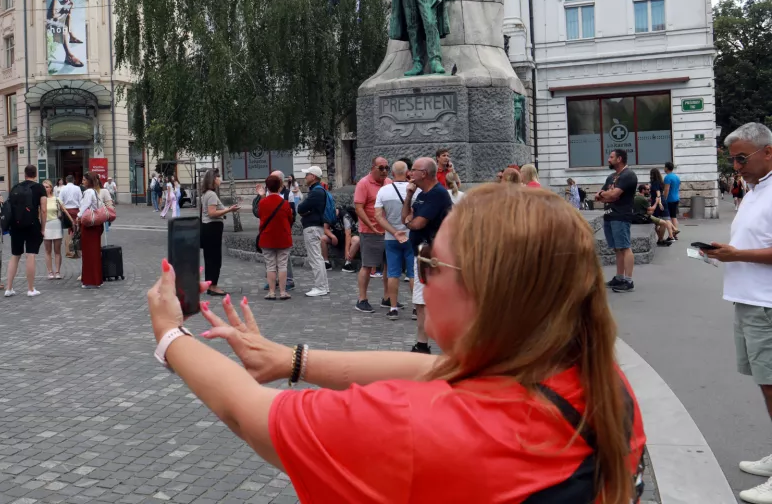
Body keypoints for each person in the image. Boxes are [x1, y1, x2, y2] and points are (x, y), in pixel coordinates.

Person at [146, 182, 646, 504]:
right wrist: (290, 360)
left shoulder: (415, 428)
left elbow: (248, 412)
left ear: (485, 293)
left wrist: (171, 333)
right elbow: (436, 374)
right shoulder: (600, 383)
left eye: (431, 265)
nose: (420, 279)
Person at [706, 123, 772, 504]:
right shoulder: (755, 189)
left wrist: (737, 255)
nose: (737, 165)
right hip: (750, 299)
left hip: (766, 303)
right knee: (766, 384)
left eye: (742, 157)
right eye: (733, 158)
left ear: (768, 152)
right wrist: (725, 250)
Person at [402, 157, 453, 353]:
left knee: (432, 301)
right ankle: (422, 344)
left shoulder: (437, 194)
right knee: (421, 302)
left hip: (433, 255)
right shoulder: (421, 194)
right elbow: (405, 216)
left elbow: (417, 223)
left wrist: (409, 222)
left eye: (413, 170)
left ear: (424, 173)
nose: (410, 173)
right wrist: (408, 196)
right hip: (422, 254)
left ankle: (446, 344)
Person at [373, 160, 414, 320]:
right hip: (411, 236)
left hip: (391, 238)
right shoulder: (415, 191)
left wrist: (394, 232)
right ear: (408, 172)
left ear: (392, 173)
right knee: (413, 274)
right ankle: (416, 309)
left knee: (392, 274)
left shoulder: (384, 191)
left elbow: (377, 216)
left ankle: (393, 307)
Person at [353, 157, 393, 314]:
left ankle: (388, 297)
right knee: (368, 265)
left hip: (387, 231)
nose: (384, 171)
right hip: (370, 232)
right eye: (381, 168)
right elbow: (359, 208)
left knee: (389, 265)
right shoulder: (363, 183)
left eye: (386, 168)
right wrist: (370, 225)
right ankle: (362, 299)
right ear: (373, 168)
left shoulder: (389, 182)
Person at [594, 149, 638, 293]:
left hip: (621, 215)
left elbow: (614, 194)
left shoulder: (628, 175)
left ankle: (629, 281)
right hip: (609, 215)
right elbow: (599, 196)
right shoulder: (611, 177)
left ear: (619, 159)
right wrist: (606, 195)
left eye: (611, 157)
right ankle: (619, 278)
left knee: (625, 247)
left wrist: (608, 195)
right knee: (617, 249)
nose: (608, 159)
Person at [4, 165, 47, 298]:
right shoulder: (40, 188)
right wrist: (43, 228)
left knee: (15, 255)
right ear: (35, 175)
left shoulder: (15, 187)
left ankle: (9, 288)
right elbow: (44, 209)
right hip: (32, 224)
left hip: (16, 225)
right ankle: (30, 288)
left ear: (25, 174)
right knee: (30, 255)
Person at [252, 171, 296, 291]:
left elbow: (293, 215)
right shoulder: (265, 195)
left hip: (282, 231)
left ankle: (288, 281)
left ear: (280, 181)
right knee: (271, 262)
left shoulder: (288, 194)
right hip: (269, 231)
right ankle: (273, 282)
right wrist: (261, 197)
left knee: (283, 261)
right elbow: (257, 212)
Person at [200, 169, 240, 298]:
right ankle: (213, 286)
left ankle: (211, 285)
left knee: (210, 258)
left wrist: (227, 210)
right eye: (218, 177)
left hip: (209, 228)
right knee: (214, 259)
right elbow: (212, 213)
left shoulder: (207, 193)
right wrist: (228, 210)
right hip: (212, 228)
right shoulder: (211, 194)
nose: (220, 179)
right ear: (213, 179)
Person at [296, 166, 330, 297]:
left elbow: (301, 208)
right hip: (316, 226)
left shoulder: (316, 192)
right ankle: (323, 286)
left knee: (315, 258)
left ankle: (320, 287)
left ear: (314, 177)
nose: (305, 177)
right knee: (318, 258)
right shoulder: (319, 190)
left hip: (312, 227)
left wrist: (304, 210)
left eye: (307, 174)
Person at [77, 171, 112, 288]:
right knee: (95, 252)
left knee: (88, 253)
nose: (82, 181)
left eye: (84, 179)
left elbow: (84, 207)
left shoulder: (88, 192)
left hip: (89, 225)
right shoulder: (96, 192)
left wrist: (78, 217)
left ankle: (88, 280)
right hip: (96, 225)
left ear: (89, 181)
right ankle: (97, 279)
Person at [322, 206, 358, 274]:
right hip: (337, 236)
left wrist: (347, 251)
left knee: (356, 240)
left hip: (348, 236)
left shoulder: (345, 215)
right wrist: (332, 236)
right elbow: (325, 228)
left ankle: (347, 264)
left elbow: (348, 234)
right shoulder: (327, 215)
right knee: (323, 238)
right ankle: (326, 263)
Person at [42, 179, 65, 280]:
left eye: (47, 187)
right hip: (46, 225)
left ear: (51, 188)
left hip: (56, 224)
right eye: (43, 187)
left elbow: (64, 210)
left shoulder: (56, 199)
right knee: (47, 250)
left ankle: (58, 271)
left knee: (57, 250)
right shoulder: (41, 200)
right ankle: (50, 271)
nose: (45, 189)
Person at [649, 168, 676, 244]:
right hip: (664, 201)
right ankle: (664, 238)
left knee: (655, 222)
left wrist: (659, 203)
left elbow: (658, 194)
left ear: (652, 175)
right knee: (665, 220)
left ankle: (660, 239)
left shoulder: (654, 182)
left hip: (657, 203)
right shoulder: (661, 182)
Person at [59, 174, 82, 258]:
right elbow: (80, 200)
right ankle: (76, 248)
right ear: (73, 180)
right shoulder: (77, 188)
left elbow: (60, 201)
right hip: (76, 210)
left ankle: (70, 249)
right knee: (77, 228)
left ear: (66, 180)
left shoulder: (63, 188)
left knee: (69, 229)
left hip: (66, 211)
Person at [663, 161, 681, 232]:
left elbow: (666, 189)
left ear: (667, 168)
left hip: (670, 200)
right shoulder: (676, 177)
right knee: (674, 216)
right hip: (676, 198)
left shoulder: (667, 177)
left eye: (664, 167)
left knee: (668, 217)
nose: (664, 168)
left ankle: (673, 232)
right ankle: (674, 232)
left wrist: (664, 199)